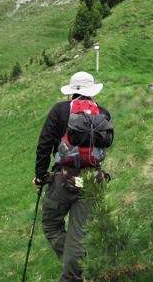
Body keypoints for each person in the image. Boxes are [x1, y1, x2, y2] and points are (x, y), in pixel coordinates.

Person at [33, 71, 112, 282]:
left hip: (63, 179)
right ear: (91, 91)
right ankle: (80, 265)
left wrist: (41, 175)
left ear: (72, 92)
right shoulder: (102, 113)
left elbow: (44, 144)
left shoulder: (60, 110)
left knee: (51, 224)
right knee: (79, 234)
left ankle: (73, 274)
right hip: (94, 180)